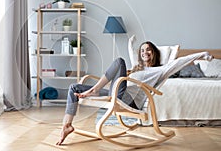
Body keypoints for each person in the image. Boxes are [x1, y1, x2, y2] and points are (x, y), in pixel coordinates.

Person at [56, 40, 213, 146]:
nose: (145, 52)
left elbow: (180, 62)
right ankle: (67, 125)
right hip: (118, 93)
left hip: (128, 100)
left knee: (119, 61)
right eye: (142, 50)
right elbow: (121, 79)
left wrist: (202, 54)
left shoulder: (160, 70)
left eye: (149, 50)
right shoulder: (137, 69)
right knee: (73, 88)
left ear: (154, 53)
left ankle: (95, 89)